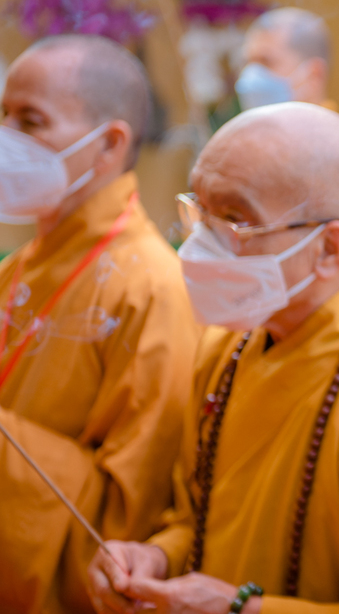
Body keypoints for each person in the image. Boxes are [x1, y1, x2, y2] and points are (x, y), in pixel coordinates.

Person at [86, 103, 339, 614]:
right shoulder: (228, 347)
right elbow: (196, 521)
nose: (198, 246)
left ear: (329, 248)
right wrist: (156, 556)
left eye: (235, 221)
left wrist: (244, 609)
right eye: (198, 213)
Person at [0, 34, 198, 612]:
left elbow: (123, 519)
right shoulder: (22, 265)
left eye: (30, 121)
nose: (8, 138)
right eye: (3, 115)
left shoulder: (153, 289)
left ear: (109, 143)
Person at [236, 7, 339, 285]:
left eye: (266, 62)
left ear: (313, 75)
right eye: (247, 63)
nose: (250, 78)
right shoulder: (249, 158)